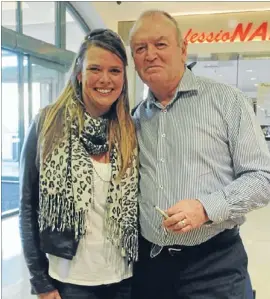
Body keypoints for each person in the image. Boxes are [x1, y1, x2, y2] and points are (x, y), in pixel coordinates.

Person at [129, 10, 270, 299]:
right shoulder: (135, 119)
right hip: (151, 267)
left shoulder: (227, 101)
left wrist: (206, 208)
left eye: (160, 44)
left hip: (215, 266)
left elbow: (262, 178)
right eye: (140, 48)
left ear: (183, 50)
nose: (150, 54)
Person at [19, 29, 138, 299]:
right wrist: (40, 282)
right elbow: (28, 207)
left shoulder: (129, 129)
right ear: (79, 73)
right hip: (69, 281)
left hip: (124, 279)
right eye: (95, 68)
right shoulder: (47, 124)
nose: (105, 79)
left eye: (115, 71)